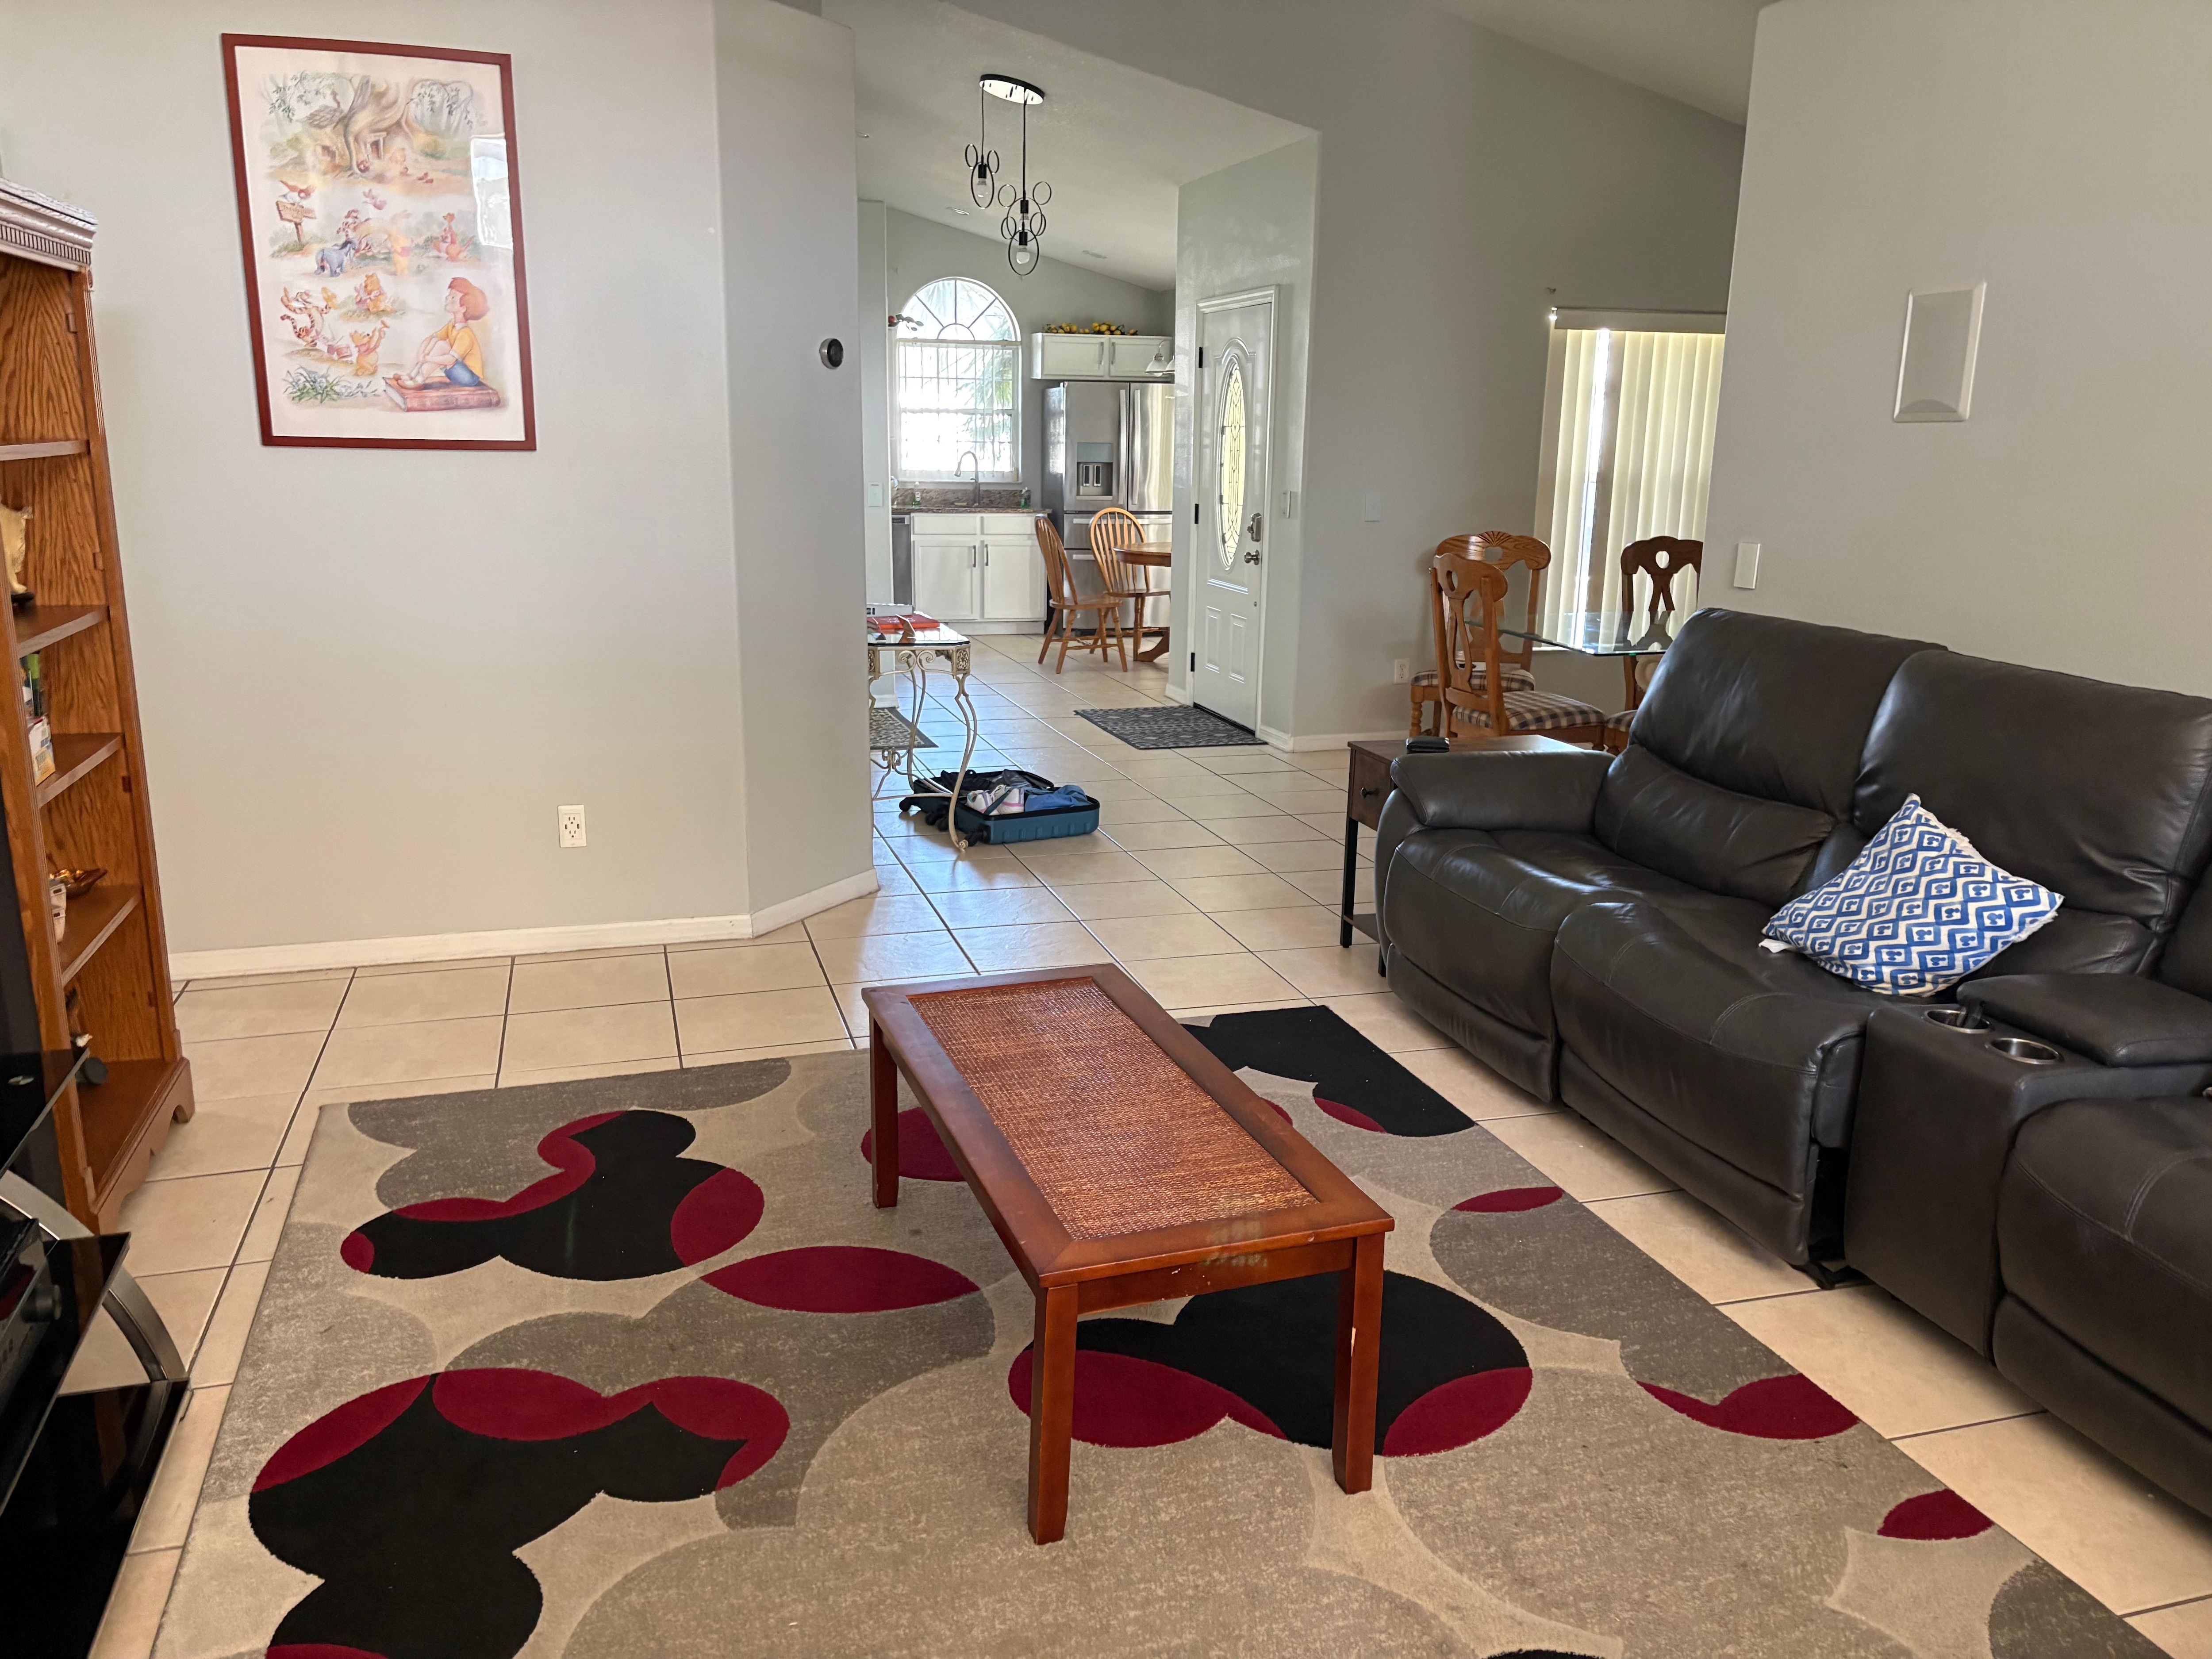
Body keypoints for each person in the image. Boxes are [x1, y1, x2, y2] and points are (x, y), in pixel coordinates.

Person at [393, 277, 491, 390]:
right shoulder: (452, 325)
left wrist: (427, 358)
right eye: (449, 295)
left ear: (463, 308)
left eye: (453, 297)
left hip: (469, 378)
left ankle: (419, 381)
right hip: (455, 371)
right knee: (436, 341)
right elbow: (431, 338)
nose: (447, 298)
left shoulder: (465, 334)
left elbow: (450, 360)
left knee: (442, 346)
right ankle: (412, 375)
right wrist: (421, 355)